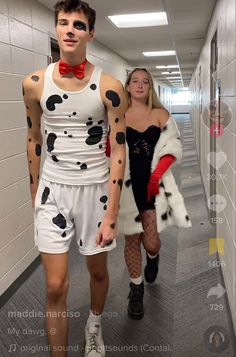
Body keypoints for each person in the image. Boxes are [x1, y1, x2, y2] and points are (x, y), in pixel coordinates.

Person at [22, 1, 126, 356]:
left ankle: (94, 325)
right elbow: (34, 138)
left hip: (95, 191)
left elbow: (119, 151)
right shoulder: (34, 84)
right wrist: (35, 189)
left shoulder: (109, 86)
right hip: (53, 190)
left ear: (90, 33)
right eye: (63, 23)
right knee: (54, 285)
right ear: (56, 29)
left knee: (98, 272)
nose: (69, 30)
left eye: (78, 25)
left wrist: (112, 214)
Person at [117, 68, 191, 319]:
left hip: (152, 187)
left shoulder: (161, 115)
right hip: (126, 189)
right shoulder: (117, 116)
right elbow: (111, 149)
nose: (139, 85)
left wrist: (157, 175)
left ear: (150, 88)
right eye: (134, 81)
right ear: (127, 86)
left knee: (149, 241)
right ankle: (136, 289)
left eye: (145, 82)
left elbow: (174, 146)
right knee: (131, 240)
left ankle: (154, 257)